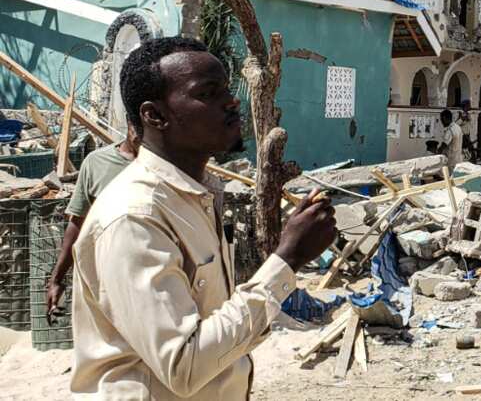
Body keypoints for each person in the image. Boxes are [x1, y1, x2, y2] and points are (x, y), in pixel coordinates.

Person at [70, 37, 337, 399]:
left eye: (226, 88)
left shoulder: (195, 195)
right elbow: (185, 364)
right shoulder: (135, 216)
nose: (231, 101)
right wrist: (286, 260)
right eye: (208, 93)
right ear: (155, 115)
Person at [45, 124, 141, 322]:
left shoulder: (166, 165)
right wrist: (56, 279)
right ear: (129, 122)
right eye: (138, 125)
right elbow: (78, 223)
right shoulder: (97, 163)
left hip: (153, 278)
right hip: (107, 280)